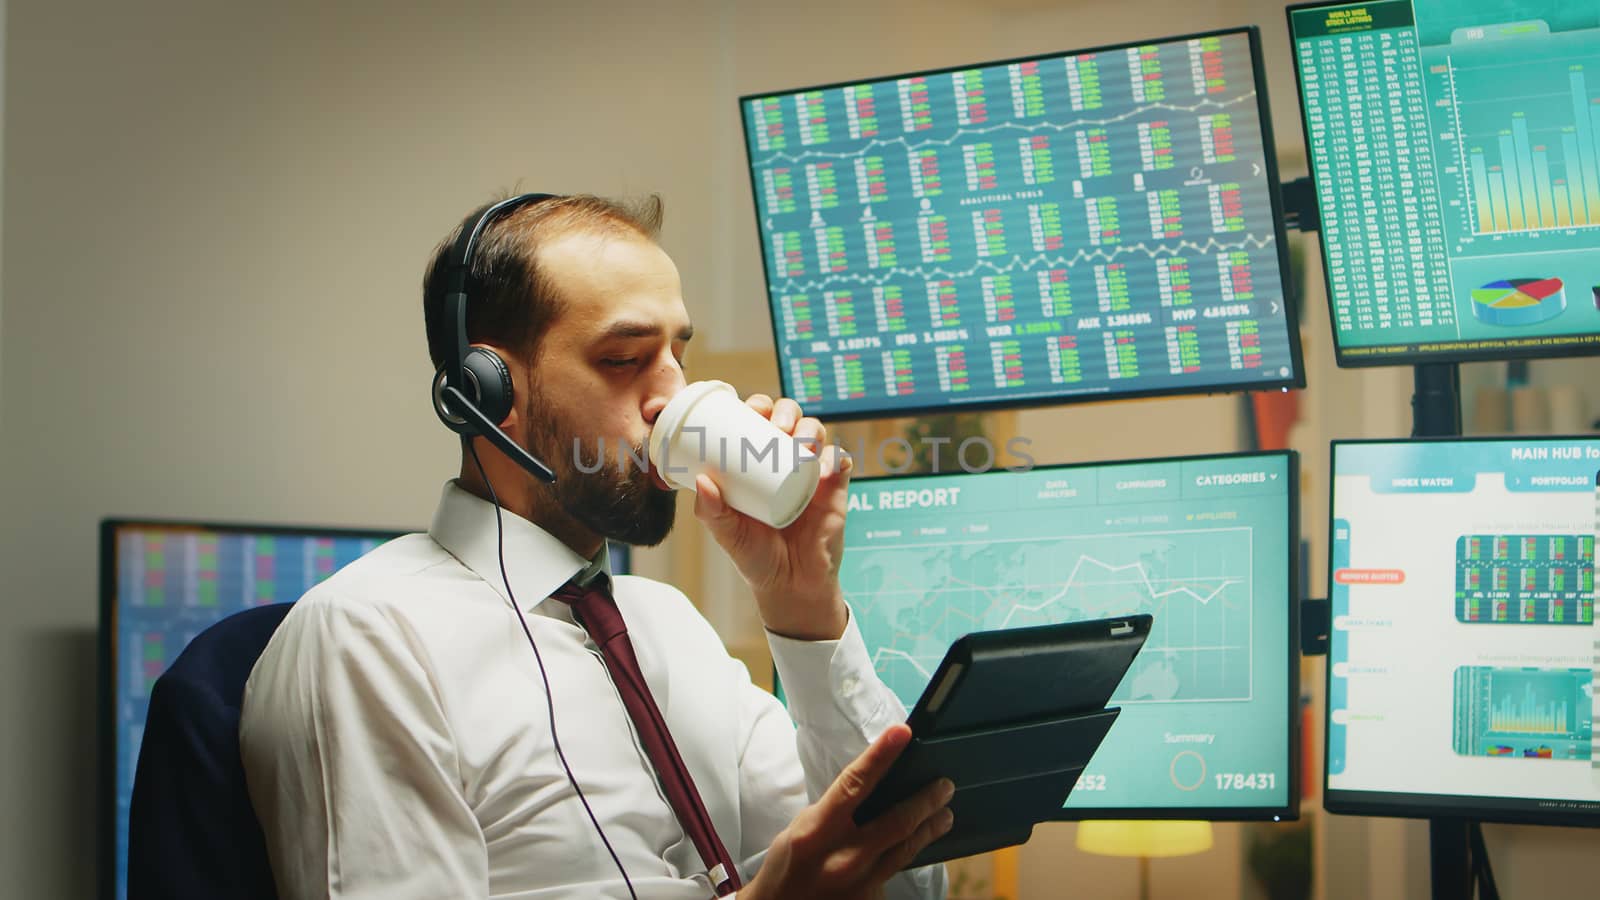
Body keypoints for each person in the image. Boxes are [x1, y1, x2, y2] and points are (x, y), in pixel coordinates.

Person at [239, 193, 954, 899]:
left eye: (678, 354)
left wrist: (804, 604)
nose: (672, 397)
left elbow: (910, 883)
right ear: (489, 392)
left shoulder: (671, 628)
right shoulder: (370, 638)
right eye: (624, 359)